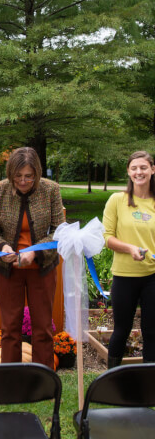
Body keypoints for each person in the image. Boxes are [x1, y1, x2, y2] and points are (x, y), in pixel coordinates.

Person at [0, 147, 64, 368]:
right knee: (9, 327)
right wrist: (3, 246)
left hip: (42, 269)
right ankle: (10, 377)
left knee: (43, 327)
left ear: (37, 173)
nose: (23, 181)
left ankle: (43, 377)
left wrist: (35, 251)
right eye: (18, 176)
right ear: (10, 174)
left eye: (29, 176)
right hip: (8, 270)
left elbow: (59, 231)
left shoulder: (51, 190)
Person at [103, 150, 155, 368]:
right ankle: (110, 380)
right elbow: (107, 237)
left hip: (152, 277)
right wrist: (130, 248)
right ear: (128, 171)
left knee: (152, 331)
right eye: (134, 168)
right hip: (124, 276)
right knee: (121, 330)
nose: (139, 172)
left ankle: (149, 383)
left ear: (153, 170)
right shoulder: (117, 200)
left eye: (143, 167)